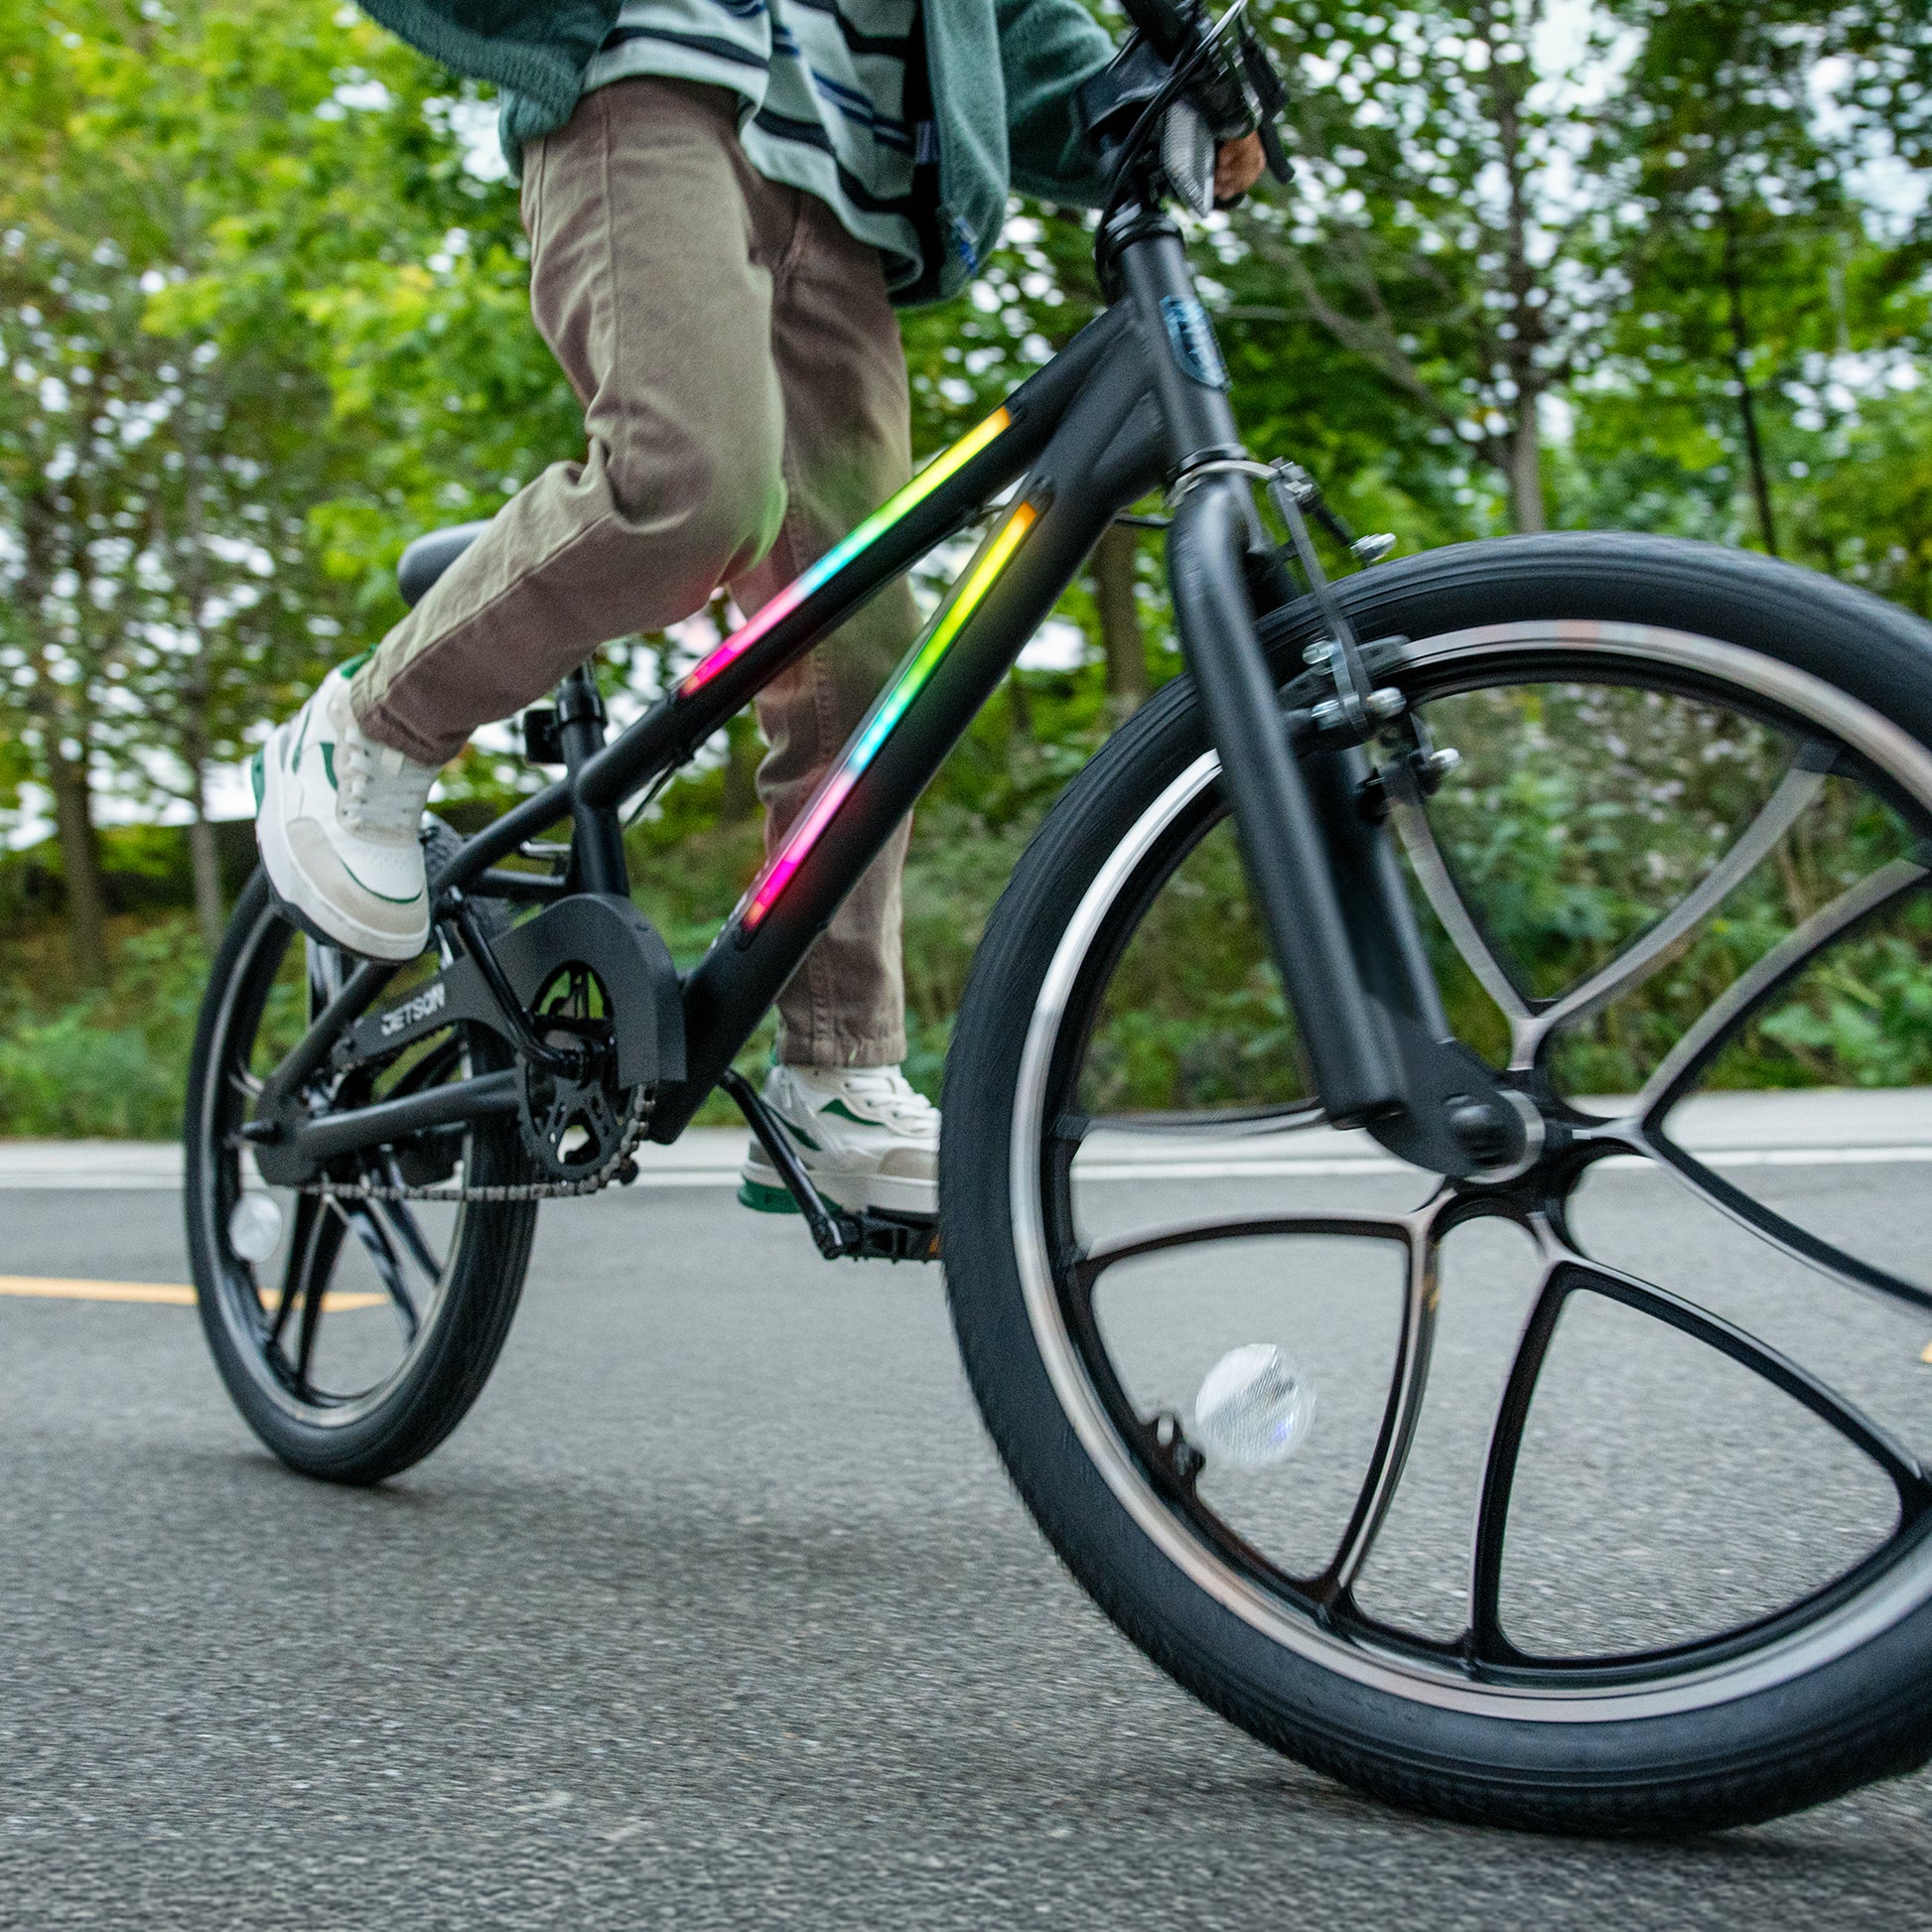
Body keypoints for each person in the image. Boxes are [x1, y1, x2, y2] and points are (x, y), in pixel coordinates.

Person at [252, 0, 1264, 1217]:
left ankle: (836, 1068)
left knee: (871, 641)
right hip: (654, 84)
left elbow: (1004, 27)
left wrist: (1142, 108)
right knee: (688, 490)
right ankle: (373, 726)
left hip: (856, 192)